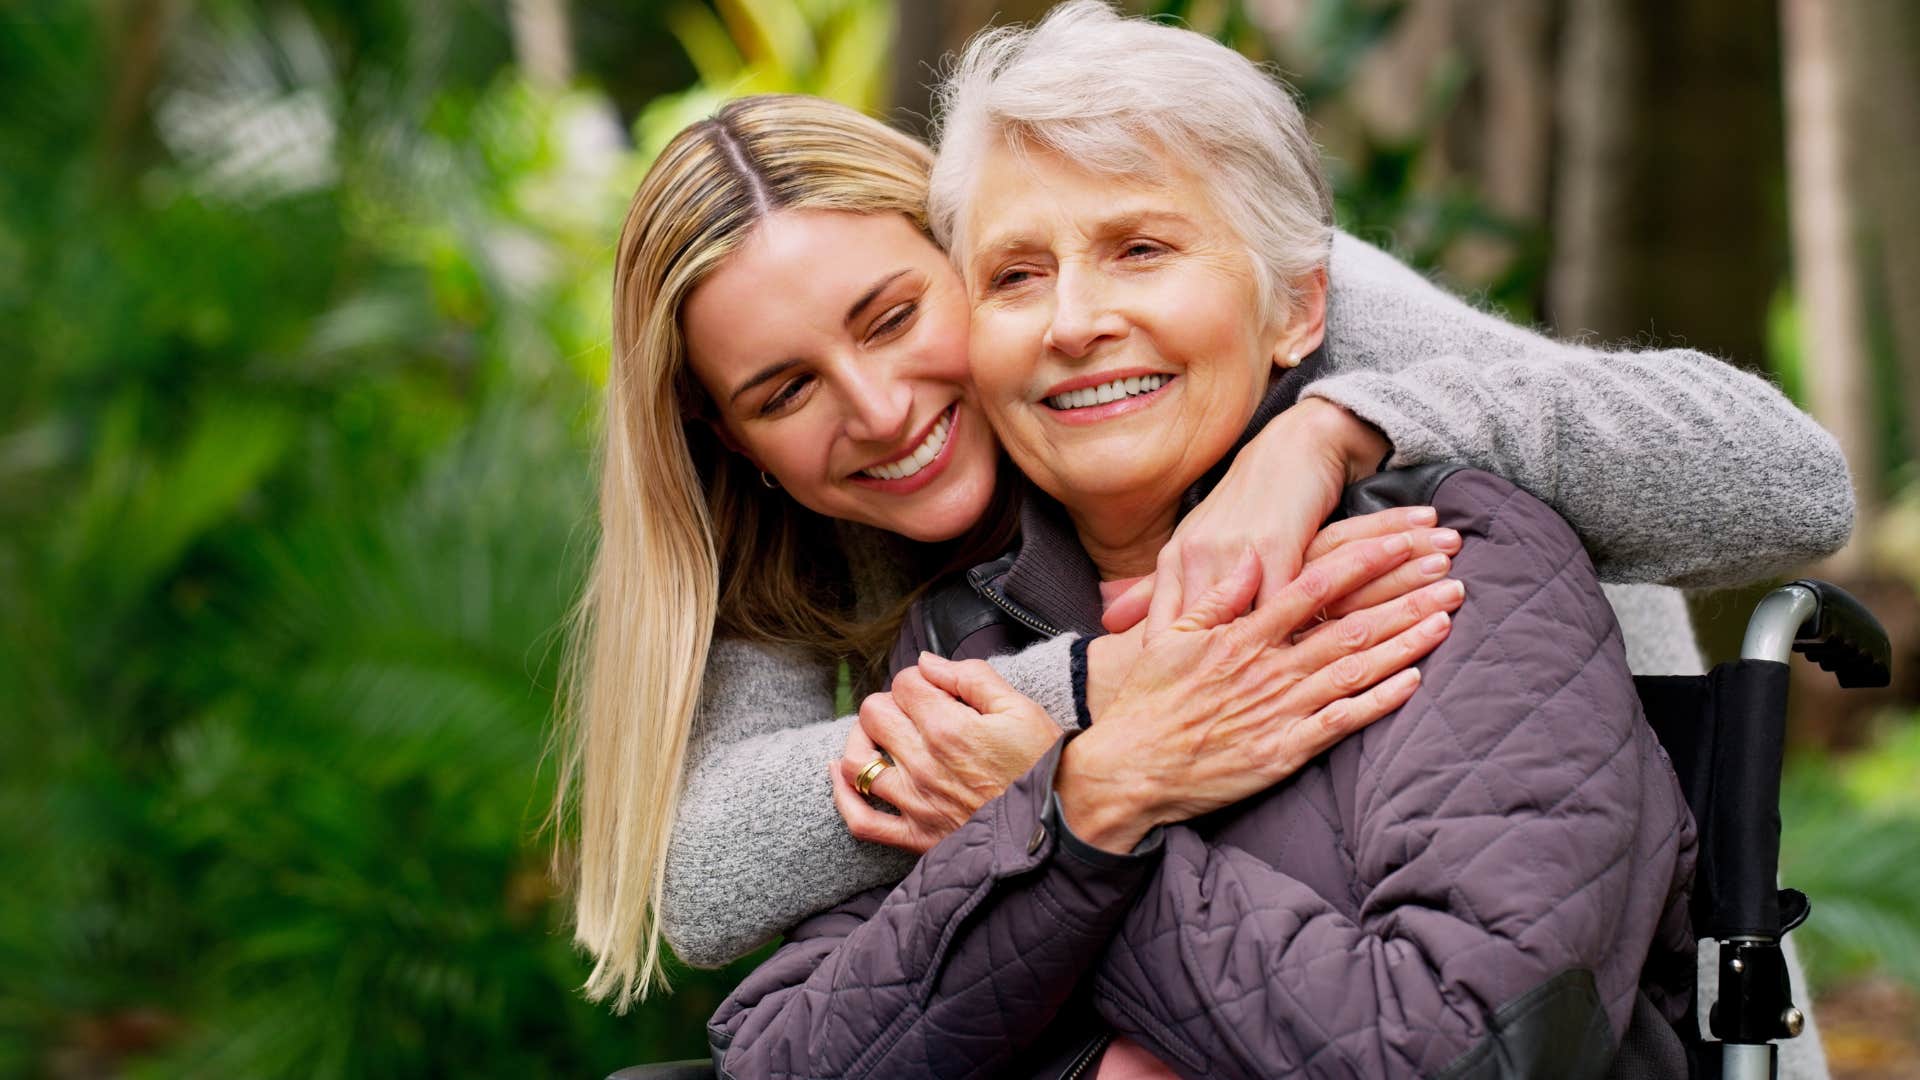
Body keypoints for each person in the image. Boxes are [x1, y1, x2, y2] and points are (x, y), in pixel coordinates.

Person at [559, 17, 1847, 1078]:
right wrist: (1084, 731)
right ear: (725, 436)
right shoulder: (931, 602)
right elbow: (722, 894)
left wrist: (1334, 429)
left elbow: (1786, 482)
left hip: (1555, 836)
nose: (882, 408)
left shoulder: (1299, 330)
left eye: (894, 316)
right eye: (784, 390)